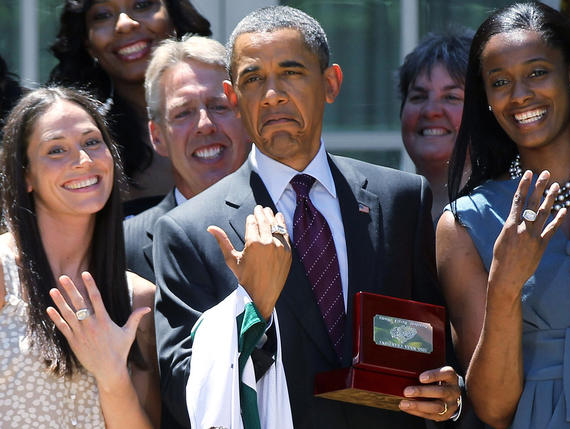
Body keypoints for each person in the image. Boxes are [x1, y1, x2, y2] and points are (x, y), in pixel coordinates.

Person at [153, 6, 462, 429]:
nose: (272, 94)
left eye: (292, 72)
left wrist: (447, 394)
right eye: (253, 78)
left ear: (330, 82)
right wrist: (252, 308)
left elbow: (434, 354)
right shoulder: (190, 231)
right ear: (233, 98)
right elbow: (181, 392)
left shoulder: (402, 200)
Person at [438, 2, 570, 428]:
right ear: (485, 98)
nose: (520, 94)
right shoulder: (464, 224)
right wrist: (504, 287)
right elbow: (494, 409)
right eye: (500, 81)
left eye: (537, 72)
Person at [0, 87, 160, 428]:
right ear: (26, 175)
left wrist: (111, 375)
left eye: (92, 142)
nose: (84, 161)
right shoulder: (3, 274)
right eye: (56, 150)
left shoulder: (139, 300)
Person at [49, 0, 211, 210]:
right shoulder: (88, 145)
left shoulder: (238, 116)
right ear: (87, 44)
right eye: (103, 15)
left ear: (174, 16)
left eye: (142, 4)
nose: (124, 24)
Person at [124, 35, 251, 284]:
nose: (205, 125)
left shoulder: (290, 217)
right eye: (183, 113)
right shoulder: (125, 246)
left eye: (219, 106)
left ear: (247, 119)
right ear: (157, 136)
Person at [398, 31, 472, 221]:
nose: (431, 111)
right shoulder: (380, 215)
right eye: (418, 97)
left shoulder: (504, 214)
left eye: (451, 97)